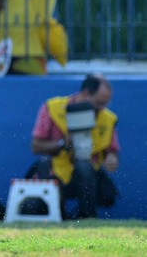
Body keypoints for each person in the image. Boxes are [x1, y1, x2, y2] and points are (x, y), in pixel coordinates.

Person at [30, 74, 120, 219]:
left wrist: (112, 157)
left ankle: (87, 217)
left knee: (87, 169)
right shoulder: (53, 108)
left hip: (87, 174)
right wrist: (62, 143)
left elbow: (112, 150)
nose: (101, 109)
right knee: (43, 162)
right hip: (56, 169)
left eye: (105, 104)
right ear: (85, 94)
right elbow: (35, 146)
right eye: (98, 103)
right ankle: (57, 216)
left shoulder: (107, 118)